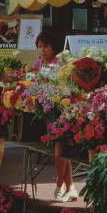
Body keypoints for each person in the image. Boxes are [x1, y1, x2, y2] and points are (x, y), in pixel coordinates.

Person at [33, 31, 77, 202]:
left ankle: (60, 183)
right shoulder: (39, 63)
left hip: (61, 111)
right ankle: (70, 186)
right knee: (60, 149)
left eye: (45, 46)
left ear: (54, 46)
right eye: (39, 46)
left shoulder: (61, 63)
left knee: (60, 148)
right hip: (47, 112)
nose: (42, 50)